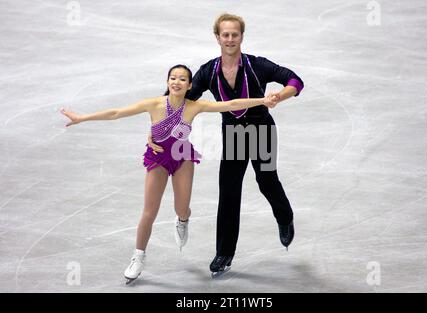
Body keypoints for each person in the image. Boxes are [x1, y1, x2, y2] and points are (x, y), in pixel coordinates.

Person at [60, 64, 279, 284]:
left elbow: (231, 104)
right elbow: (117, 113)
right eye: (173, 78)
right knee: (149, 211)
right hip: (158, 159)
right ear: (167, 82)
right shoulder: (153, 104)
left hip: (182, 156)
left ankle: (182, 219)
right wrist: (82, 118)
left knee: (181, 208)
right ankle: (138, 257)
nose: (177, 82)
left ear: (190, 85)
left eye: (182, 79)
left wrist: (262, 101)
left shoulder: (194, 106)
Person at [148, 14, 304, 276]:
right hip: (233, 135)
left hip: (261, 130)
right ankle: (224, 253)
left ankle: (284, 216)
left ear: (241, 36)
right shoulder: (209, 71)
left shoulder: (257, 65)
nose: (230, 39)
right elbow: (184, 97)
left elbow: (295, 81)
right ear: (217, 37)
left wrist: (279, 95)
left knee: (267, 181)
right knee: (229, 190)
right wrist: (159, 123)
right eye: (225, 35)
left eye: (235, 34)